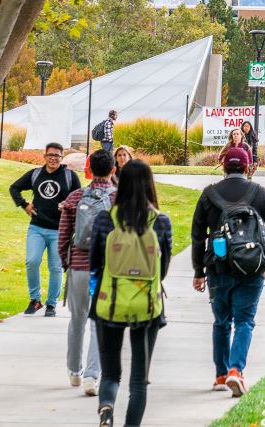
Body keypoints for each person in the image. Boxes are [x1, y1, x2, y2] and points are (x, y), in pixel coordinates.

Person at [191, 150, 265, 397]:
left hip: (217, 267)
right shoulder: (261, 194)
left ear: (224, 167)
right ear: (247, 168)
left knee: (221, 321)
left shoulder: (209, 194)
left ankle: (221, 374)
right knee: (244, 321)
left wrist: (198, 271)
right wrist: (256, 240)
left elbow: (198, 235)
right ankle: (236, 370)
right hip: (252, 268)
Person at [89, 159, 171, 426]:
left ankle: (106, 409)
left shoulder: (105, 220)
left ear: (120, 184)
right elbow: (164, 267)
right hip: (147, 306)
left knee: (111, 373)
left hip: (109, 302)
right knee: (139, 380)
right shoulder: (160, 222)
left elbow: (94, 263)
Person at [58, 149, 117, 396]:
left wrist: (66, 263)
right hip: (106, 268)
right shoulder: (118, 198)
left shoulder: (75, 197)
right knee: (99, 321)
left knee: (77, 319)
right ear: (113, 170)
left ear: (89, 169)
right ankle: (92, 376)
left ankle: (74, 370)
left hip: (79, 266)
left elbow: (63, 237)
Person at [9, 141, 81, 316]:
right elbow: (14, 188)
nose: (53, 158)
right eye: (50, 155)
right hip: (37, 228)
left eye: (57, 155)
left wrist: (67, 205)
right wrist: (24, 204)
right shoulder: (35, 174)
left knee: (55, 267)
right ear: (44, 156)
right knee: (32, 262)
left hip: (60, 230)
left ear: (61, 157)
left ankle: (51, 304)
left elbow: (79, 198)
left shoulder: (69, 176)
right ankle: (35, 300)